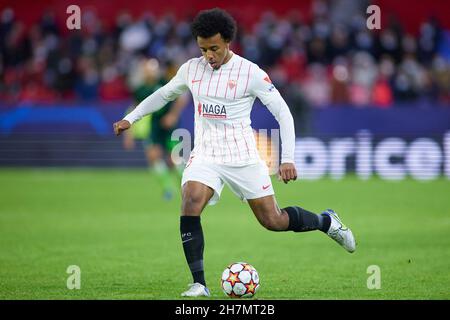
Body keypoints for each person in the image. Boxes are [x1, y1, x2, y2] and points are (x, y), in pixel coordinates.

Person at [113, 8, 356, 297]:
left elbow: (283, 113)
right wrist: (133, 117)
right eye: (203, 49)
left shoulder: (250, 73)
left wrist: (287, 158)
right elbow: (164, 94)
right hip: (206, 154)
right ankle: (199, 284)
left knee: (273, 220)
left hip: (242, 157)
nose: (209, 55)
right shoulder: (192, 68)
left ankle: (326, 222)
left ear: (228, 41)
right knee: (190, 200)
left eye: (214, 48)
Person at [123, 58, 188, 200]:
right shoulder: (140, 90)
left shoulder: (165, 82)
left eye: (152, 69)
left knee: (174, 159)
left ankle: (186, 188)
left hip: (171, 126)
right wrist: (129, 134)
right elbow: (132, 110)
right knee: (153, 156)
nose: (150, 72)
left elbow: (182, 98)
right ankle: (167, 189)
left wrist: (173, 115)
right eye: (147, 69)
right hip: (155, 125)